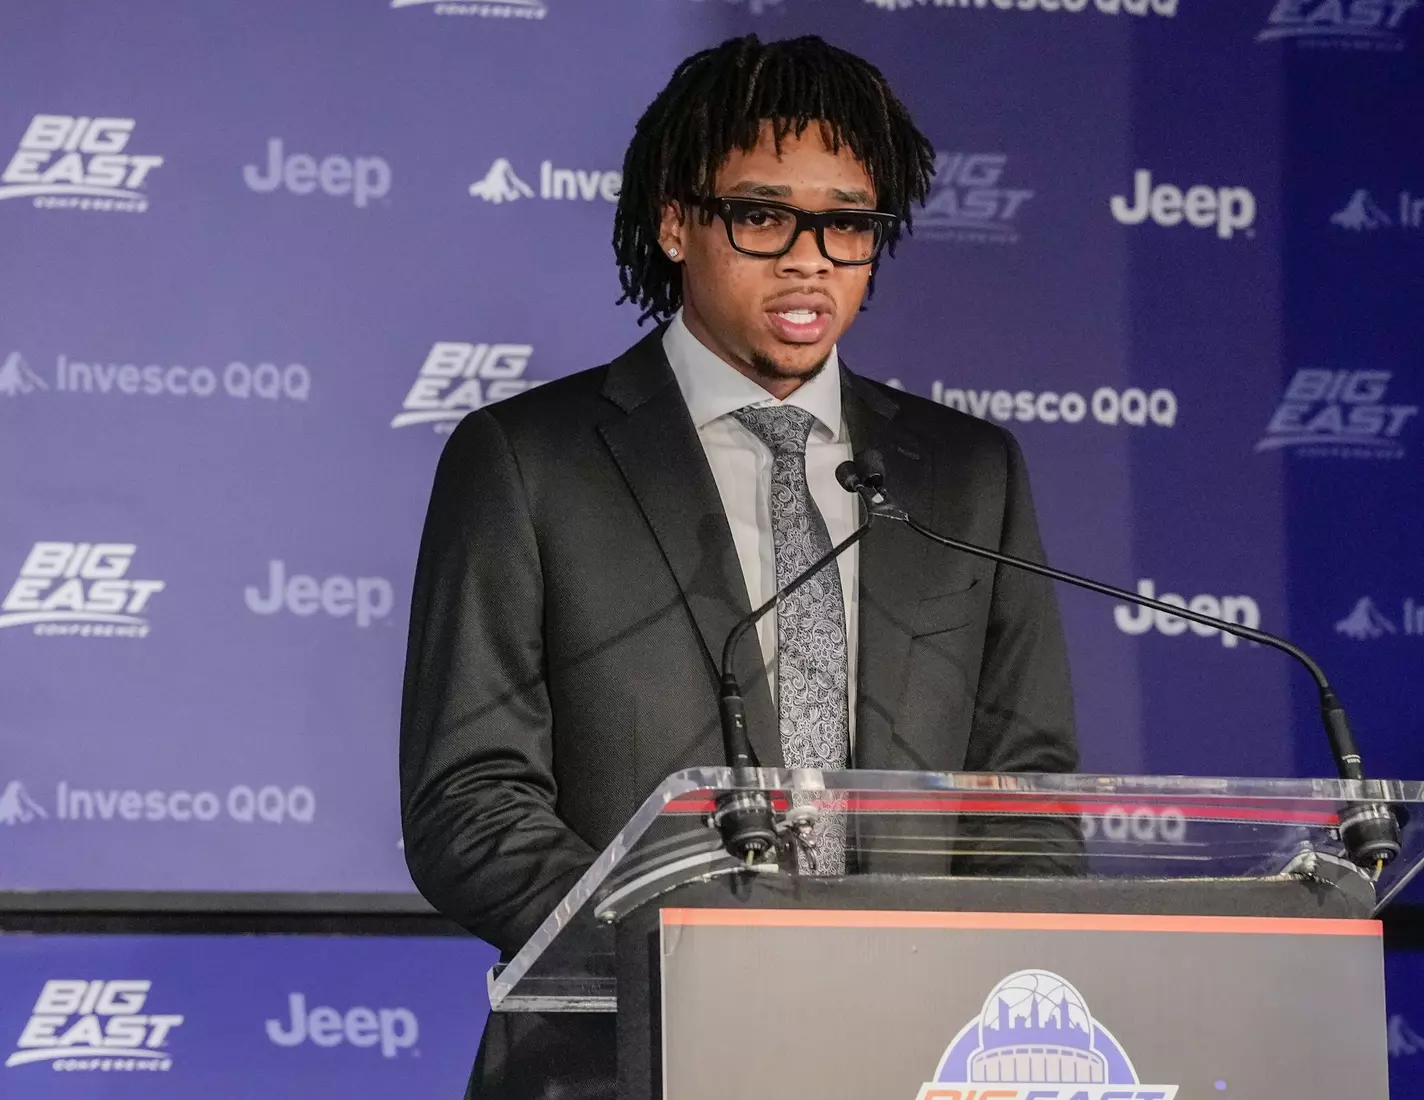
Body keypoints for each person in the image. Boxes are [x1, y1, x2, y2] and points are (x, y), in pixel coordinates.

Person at [400, 33, 1078, 1100]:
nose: (808, 256)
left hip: (911, 1057)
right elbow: (469, 802)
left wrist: (973, 992)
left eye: (846, 222)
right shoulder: (527, 460)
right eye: (761, 215)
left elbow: (1024, 792)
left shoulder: (965, 475)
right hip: (619, 1055)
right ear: (676, 221)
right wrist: (677, 957)